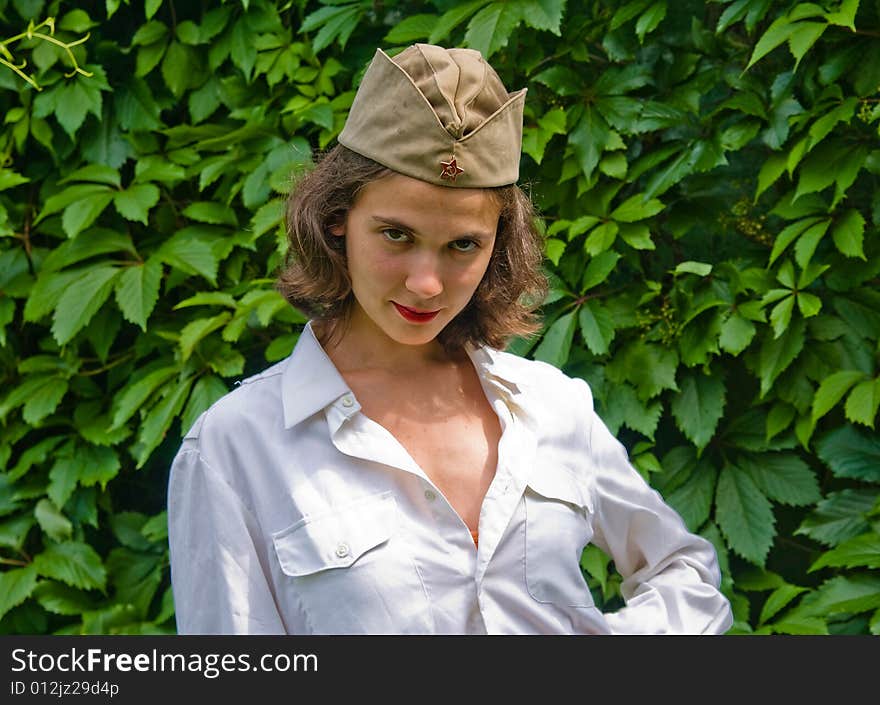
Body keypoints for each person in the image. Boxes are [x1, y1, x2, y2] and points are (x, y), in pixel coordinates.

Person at [167, 43, 733, 635]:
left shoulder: (553, 407)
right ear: (337, 219)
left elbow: (683, 571)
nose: (426, 283)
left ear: (497, 245)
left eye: (462, 245)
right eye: (395, 235)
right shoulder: (236, 448)